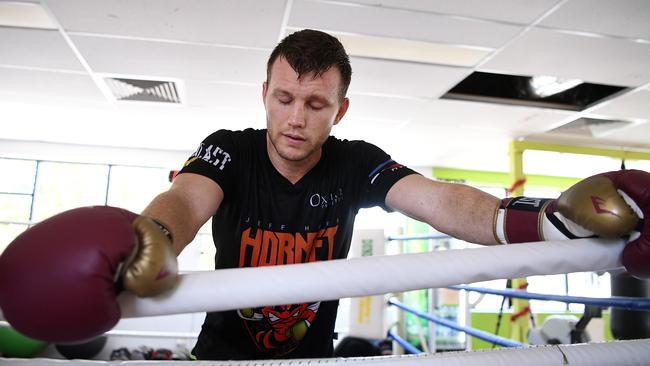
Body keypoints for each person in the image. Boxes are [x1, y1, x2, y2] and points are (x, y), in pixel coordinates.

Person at [0, 29, 648, 359]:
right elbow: (187, 202)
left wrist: (539, 221)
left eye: (315, 104)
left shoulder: (354, 163)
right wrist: (153, 237)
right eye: (284, 99)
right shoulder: (231, 147)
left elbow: (441, 200)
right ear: (264, 96)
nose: (296, 119)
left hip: (315, 359)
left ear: (339, 109)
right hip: (220, 356)